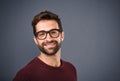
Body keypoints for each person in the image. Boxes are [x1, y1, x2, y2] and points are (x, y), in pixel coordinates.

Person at [13, 10, 77, 81]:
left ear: (62, 35)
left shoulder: (71, 69)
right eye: (42, 34)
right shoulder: (25, 75)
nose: (49, 39)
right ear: (36, 40)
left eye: (53, 32)